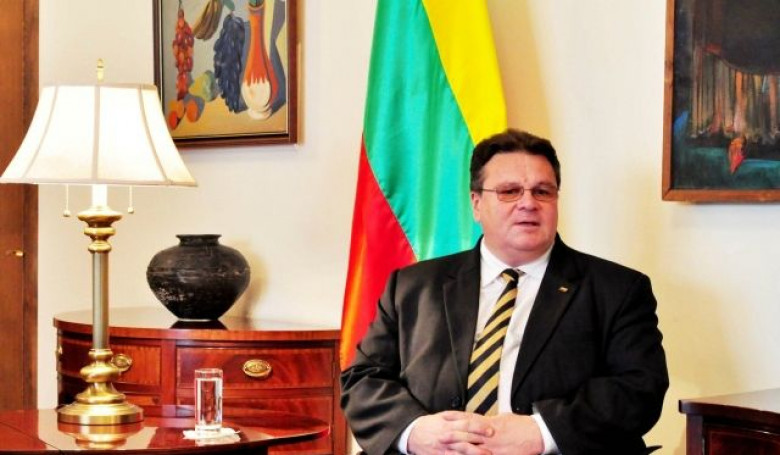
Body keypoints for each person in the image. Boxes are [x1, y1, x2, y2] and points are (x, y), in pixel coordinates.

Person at [340, 129, 669, 455]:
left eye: (542, 191)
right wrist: (414, 432)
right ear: (476, 203)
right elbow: (362, 380)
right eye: (509, 191)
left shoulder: (617, 289)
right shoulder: (413, 286)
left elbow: (640, 389)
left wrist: (542, 432)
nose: (528, 203)